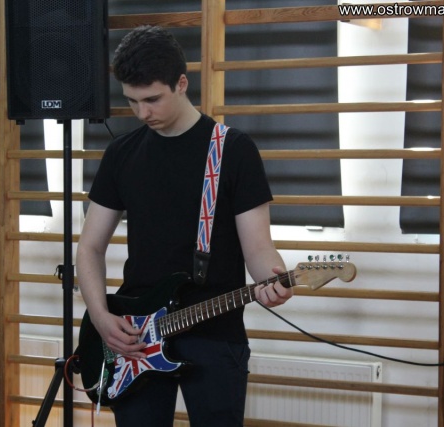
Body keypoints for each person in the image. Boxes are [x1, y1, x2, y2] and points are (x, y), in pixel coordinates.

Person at [75, 25, 293, 427]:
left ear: (181, 83)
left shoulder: (233, 150)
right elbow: (89, 247)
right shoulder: (121, 154)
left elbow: (259, 248)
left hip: (214, 331)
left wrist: (271, 280)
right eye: (132, 101)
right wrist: (101, 317)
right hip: (137, 332)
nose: (142, 113)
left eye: (152, 99)